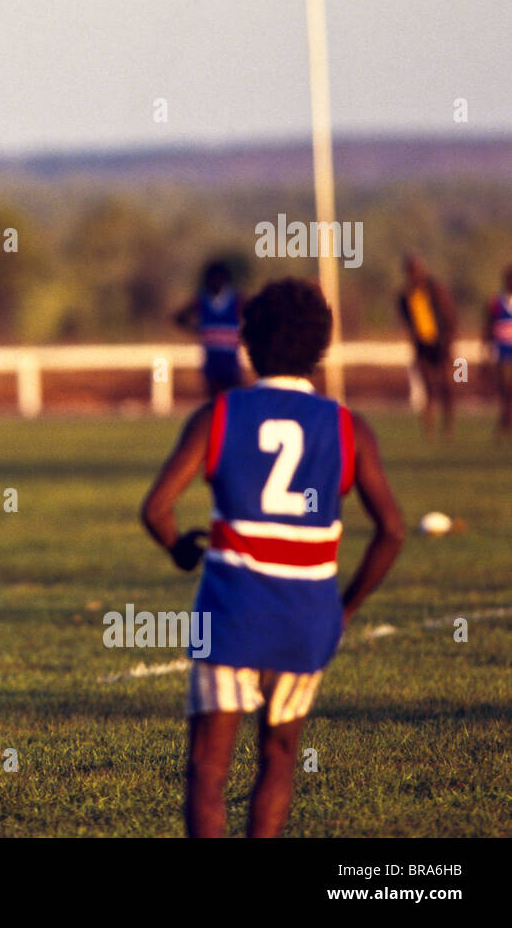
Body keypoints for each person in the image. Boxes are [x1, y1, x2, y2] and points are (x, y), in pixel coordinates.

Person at [141, 278, 404, 838]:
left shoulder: (220, 415)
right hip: (306, 616)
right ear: (321, 346)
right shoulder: (347, 426)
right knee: (279, 758)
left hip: (230, 611)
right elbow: (393, 532)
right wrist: (347, 607)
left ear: (247, 342)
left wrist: (181, 549)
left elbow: (156, 510)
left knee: (208, 771)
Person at [398, 255, 457, 439]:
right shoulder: (405, 296)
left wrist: (449, 342)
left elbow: (450, 316)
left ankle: (448, 429)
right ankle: (429, 431)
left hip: (442, 346)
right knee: (428, 388)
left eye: (416, 270)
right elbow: (408, 322)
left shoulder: (435, 290)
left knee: (448, 387)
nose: (414, 275)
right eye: (410, 272)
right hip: (423, 348)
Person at [174, 260, 244, 397]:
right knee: (214, 401)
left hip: (230, 361)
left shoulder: (236, 299)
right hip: (212, 361)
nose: (215, 282)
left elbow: (256, 312)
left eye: (218, 278)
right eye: (212, 278)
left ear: (225, 279)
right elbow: (179, 318)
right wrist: (198, 329)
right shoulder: (202, 300)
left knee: (234, 399)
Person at [483, 264, 512, 439]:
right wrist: (486, 351)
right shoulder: (496, 302)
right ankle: (504, 424)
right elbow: (488, 326)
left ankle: (504, 425)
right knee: (506, 391)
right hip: (502, 355)